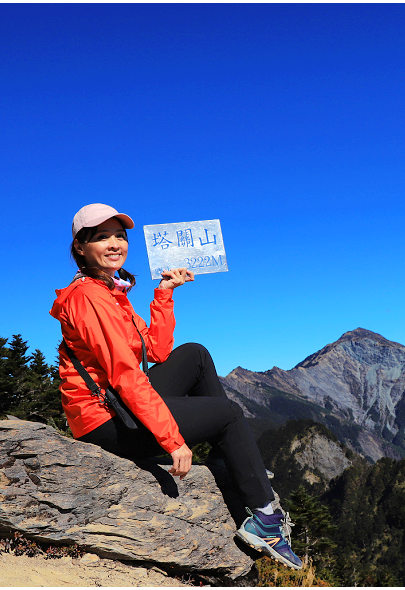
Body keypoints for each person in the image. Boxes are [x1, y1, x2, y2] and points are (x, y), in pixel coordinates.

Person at [50, 203, 302, 570]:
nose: (114, 243)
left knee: (194, 354)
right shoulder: (89, 296)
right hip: (105, 423)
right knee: (229, 414)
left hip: (116, 404)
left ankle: (226, 458)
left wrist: (165, 292)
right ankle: (265, 521)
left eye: (119, 235)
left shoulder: (109, 292)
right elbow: (125, 374)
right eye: (101, 237)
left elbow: (156, 349)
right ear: (80, 248)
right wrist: (173, 440)